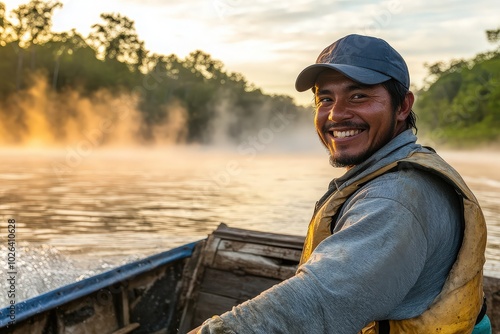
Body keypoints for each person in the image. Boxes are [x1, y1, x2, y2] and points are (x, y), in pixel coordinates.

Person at [188, 34, 490, 333]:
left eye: (358, 96)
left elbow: (317, 301)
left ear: (402, 107)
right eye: (325, 99)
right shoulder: (397, 168)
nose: (336, 114)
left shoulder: (396, 197)